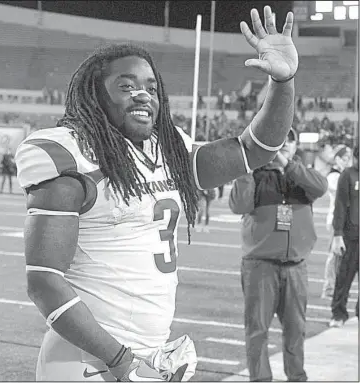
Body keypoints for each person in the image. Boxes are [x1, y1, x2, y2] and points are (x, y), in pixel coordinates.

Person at [15, 6, 299, 381]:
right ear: (95, 95)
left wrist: (283, 83)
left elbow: (255, 149)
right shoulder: (72, 156)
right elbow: (44, 281)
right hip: (86, 359)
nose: (143, 95)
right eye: (126, 86)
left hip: (145, 354)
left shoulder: (169, 150)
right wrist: (118, 359)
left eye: (151, 87)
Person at [229, 128, 327, 382]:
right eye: (279, 140)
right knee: (257, 331)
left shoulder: (302, 177)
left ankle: (296, 377)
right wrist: (246, 169)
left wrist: (286, 164)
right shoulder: (256, 176)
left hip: (296, 267)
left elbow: (321, 185)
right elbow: (239, 204)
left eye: (290, 140)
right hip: (260, 266)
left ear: (296, 147)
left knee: (296, 330)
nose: (284, 144)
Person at [329, 145, 359, 327]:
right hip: (350, 236)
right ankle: (338, 313)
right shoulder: (347, 175)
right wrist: (338, 234)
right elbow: (339, 206)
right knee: (344, 277)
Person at [321, 145, 351, 298]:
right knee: (334, 255)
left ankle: (337, 287)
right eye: (344, 159)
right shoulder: (334, 176)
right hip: (335, 220)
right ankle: (329, 288)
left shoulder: (346, 175)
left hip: (348, 220)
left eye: (348, 159)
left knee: (344, 256)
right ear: (337, 159)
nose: (347, 162)